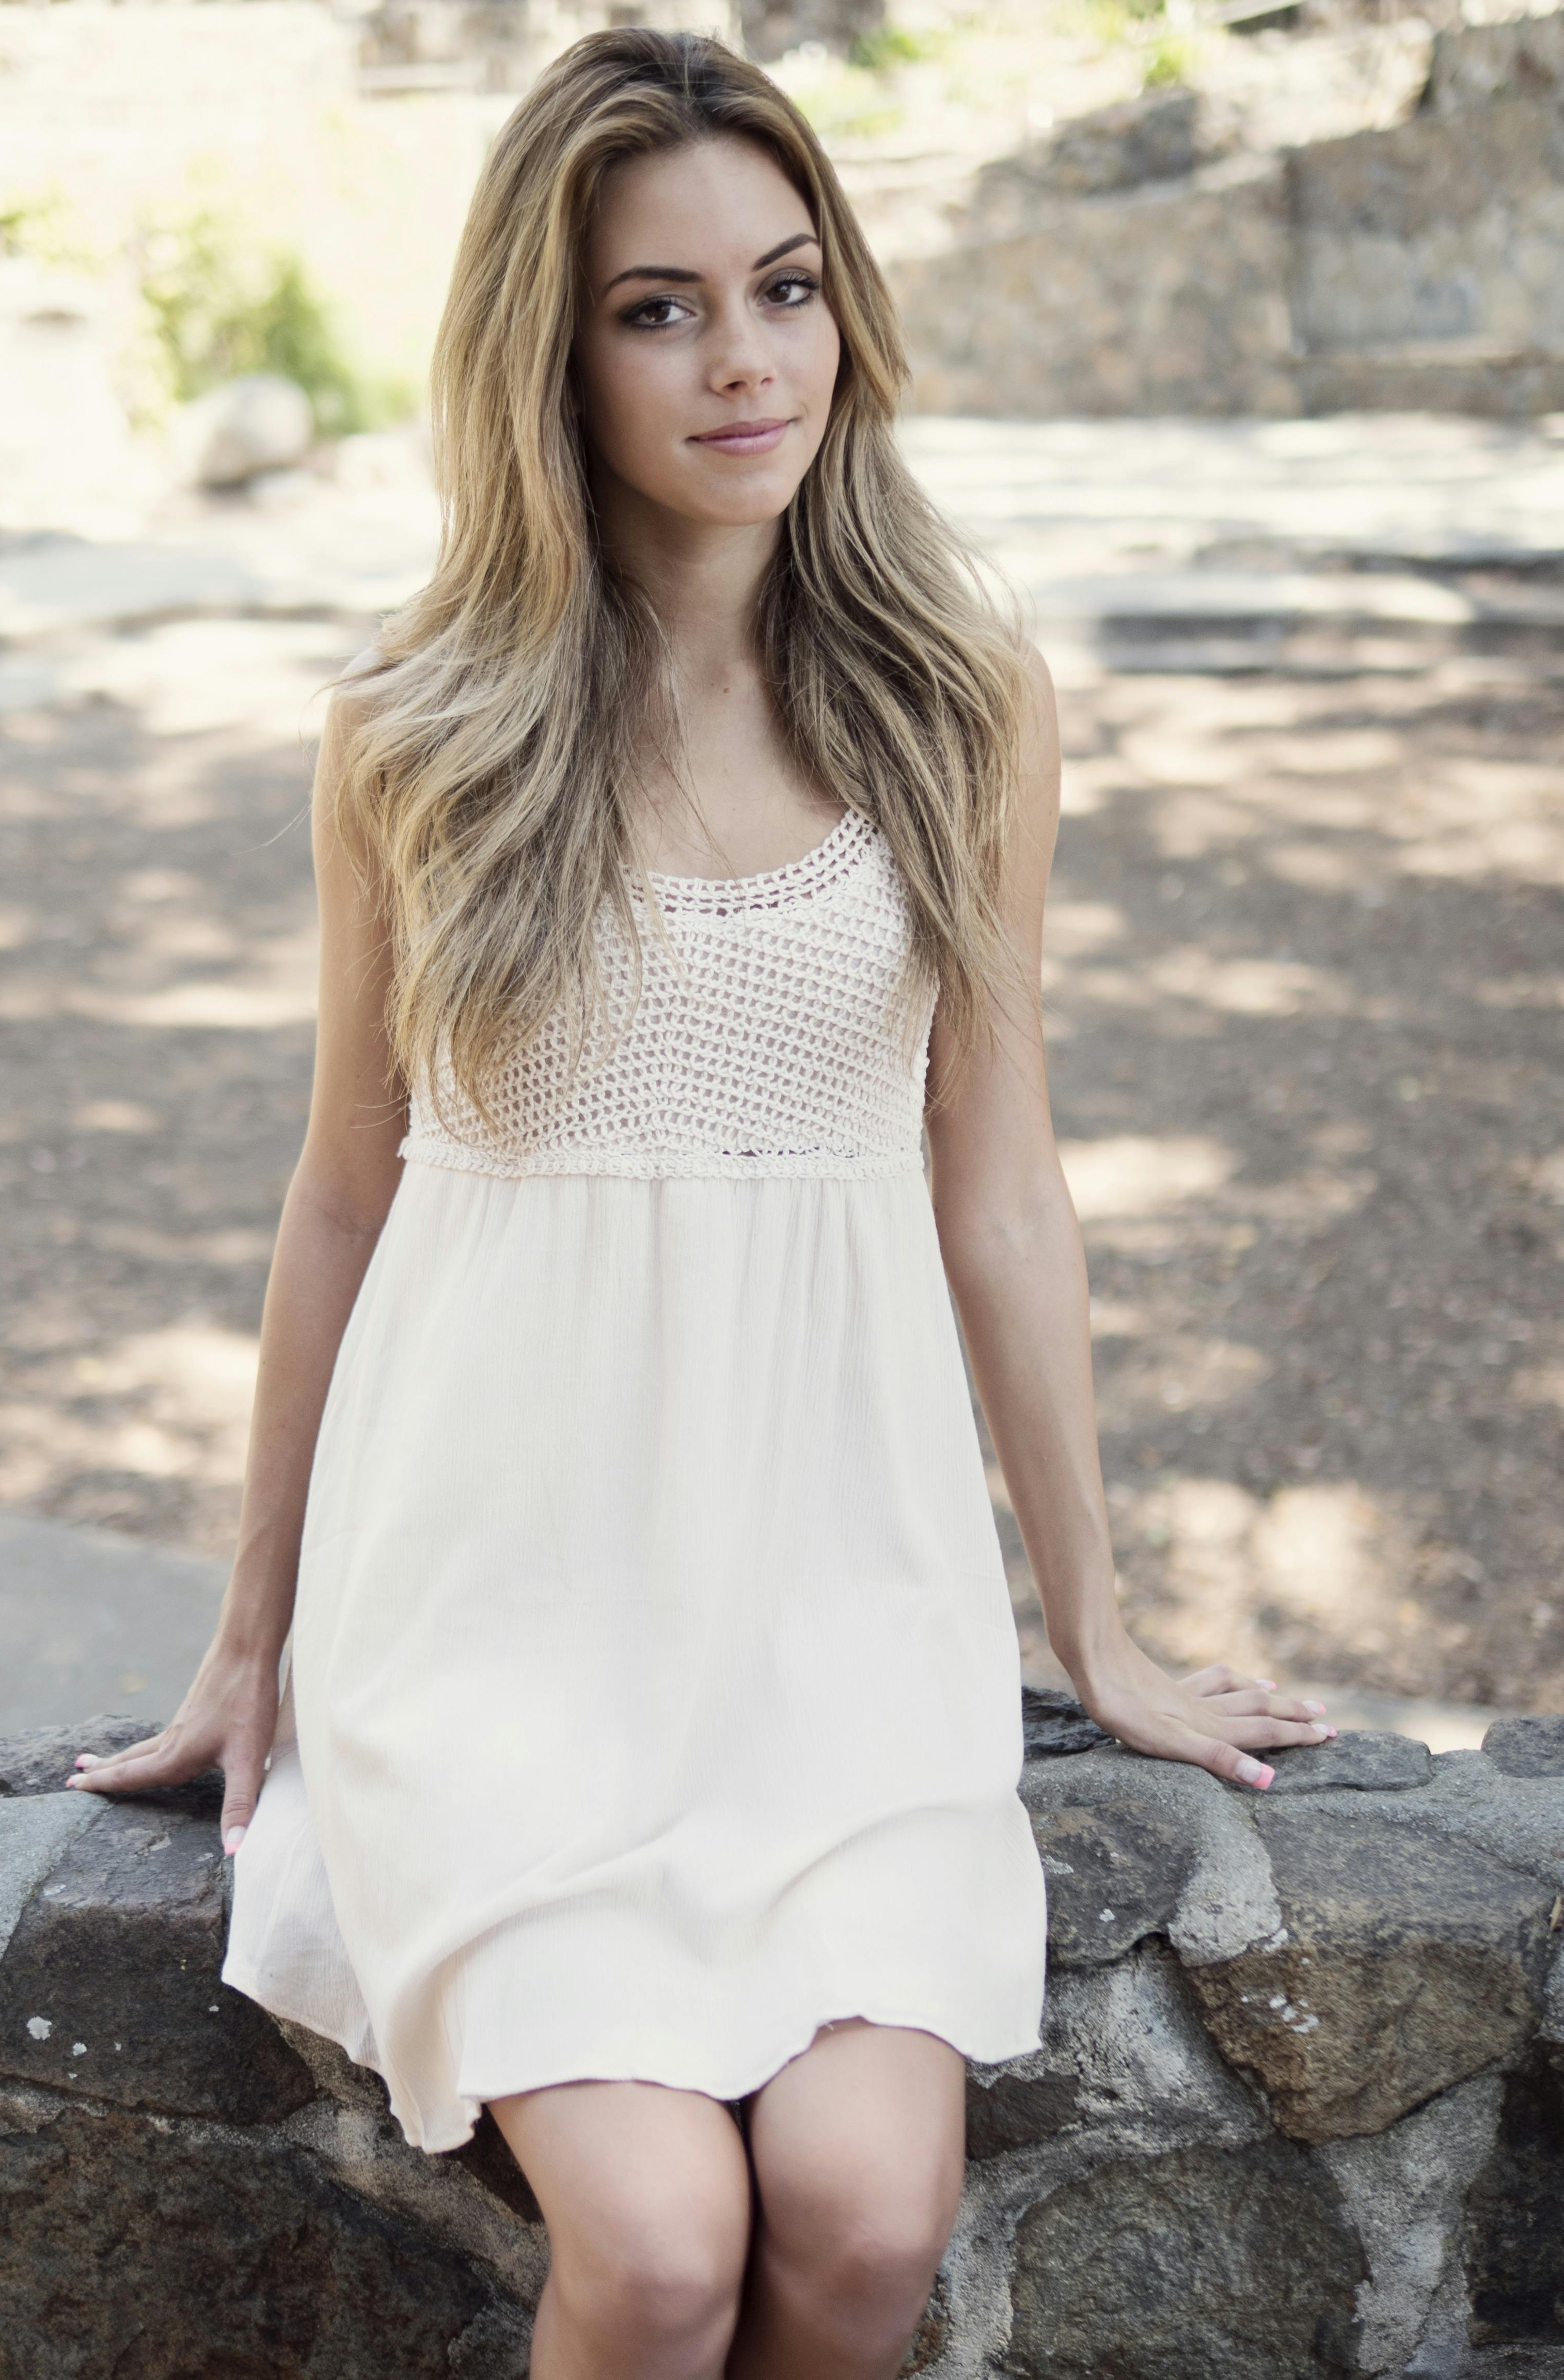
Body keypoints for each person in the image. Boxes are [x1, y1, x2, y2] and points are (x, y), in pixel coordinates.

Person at [67, 30, 1336, 2378]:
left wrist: (1101, 1623)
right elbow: (346, 1191)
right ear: (550, 349)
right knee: (655, 2250)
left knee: (860, 2224)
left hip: (837, 1620)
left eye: (782, 287)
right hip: (495, 1621)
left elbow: (1005, 1188)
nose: (744, 360)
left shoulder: (966, 702)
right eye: (659, 308)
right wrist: (251, 1635)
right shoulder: (419, 729)